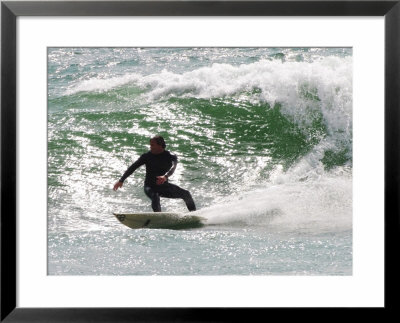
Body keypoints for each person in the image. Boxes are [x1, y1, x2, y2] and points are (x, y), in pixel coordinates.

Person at [113, 136, 196, 212]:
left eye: (152, 145)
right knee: (155, 196)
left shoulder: (170, 156)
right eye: (150, 145)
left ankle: (194, 215)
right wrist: (121, 180)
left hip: (164, 186)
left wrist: (165, 177)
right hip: (150, 186)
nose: (150, 147)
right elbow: (132, 167)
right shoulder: (147, 156)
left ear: (160, 145)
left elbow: (173, 168)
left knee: (186, 194)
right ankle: (159, 217)